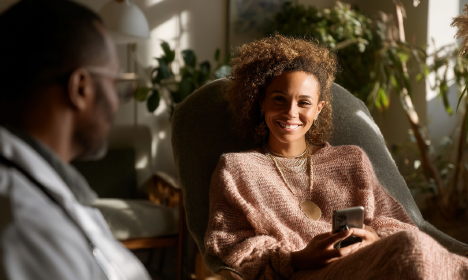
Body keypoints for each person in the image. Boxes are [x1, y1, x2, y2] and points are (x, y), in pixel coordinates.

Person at [204, 35, 468, 279]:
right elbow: (230, 246)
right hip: (308, 275)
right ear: (261, 102)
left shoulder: (352, 160)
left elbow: (399, 224)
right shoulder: (237, 169)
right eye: (279, 99)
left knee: (425, 251)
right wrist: (296, 258)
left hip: (370, 265)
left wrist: (374, 237)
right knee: (411, 248)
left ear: (318, 109)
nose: (290, 113)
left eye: (304, 103)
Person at [0, 0, 150, 279]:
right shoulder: (30, 228)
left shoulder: (40, 188)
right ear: (80, 87)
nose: (117, 104)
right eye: (115, 84)